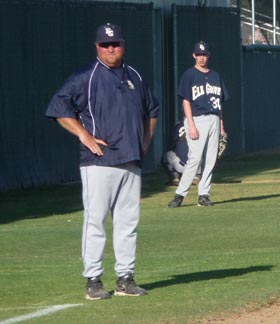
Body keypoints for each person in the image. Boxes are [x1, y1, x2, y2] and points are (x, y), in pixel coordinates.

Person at [45, 23, 159, 300]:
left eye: (116, 43)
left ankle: (125, 278)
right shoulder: (87, 76)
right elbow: (59, 108)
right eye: (106, 44)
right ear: (97, 47)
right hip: (99, 161)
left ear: (123, 45)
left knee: (127, 223)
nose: (111, 48)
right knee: (95, 222)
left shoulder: (134, 76)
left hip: (131, 160)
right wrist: (84, 135)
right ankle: (93, 280)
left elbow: (152, 110)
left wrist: (144, 142)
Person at [168, 41, 229, 208]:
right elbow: (186, 101)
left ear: (208, 56)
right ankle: (180, 195)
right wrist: (191, 124)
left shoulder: (216, 75)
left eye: (204, 54)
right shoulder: (189, 75)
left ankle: (204, 194)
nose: (202, 57)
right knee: (194, 159)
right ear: (194, 56)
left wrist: (222, 125)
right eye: (199, 54)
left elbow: (219, 103)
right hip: (197, 119)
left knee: (210, 160)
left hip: (214, 119)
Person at [161, 121, 202, 186]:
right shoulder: (201, 125)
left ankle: (174, 177)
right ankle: (197, 176)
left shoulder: (179, 126)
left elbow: (173, 144)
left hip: (182, 166)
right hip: (197, 165)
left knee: (167, 156)